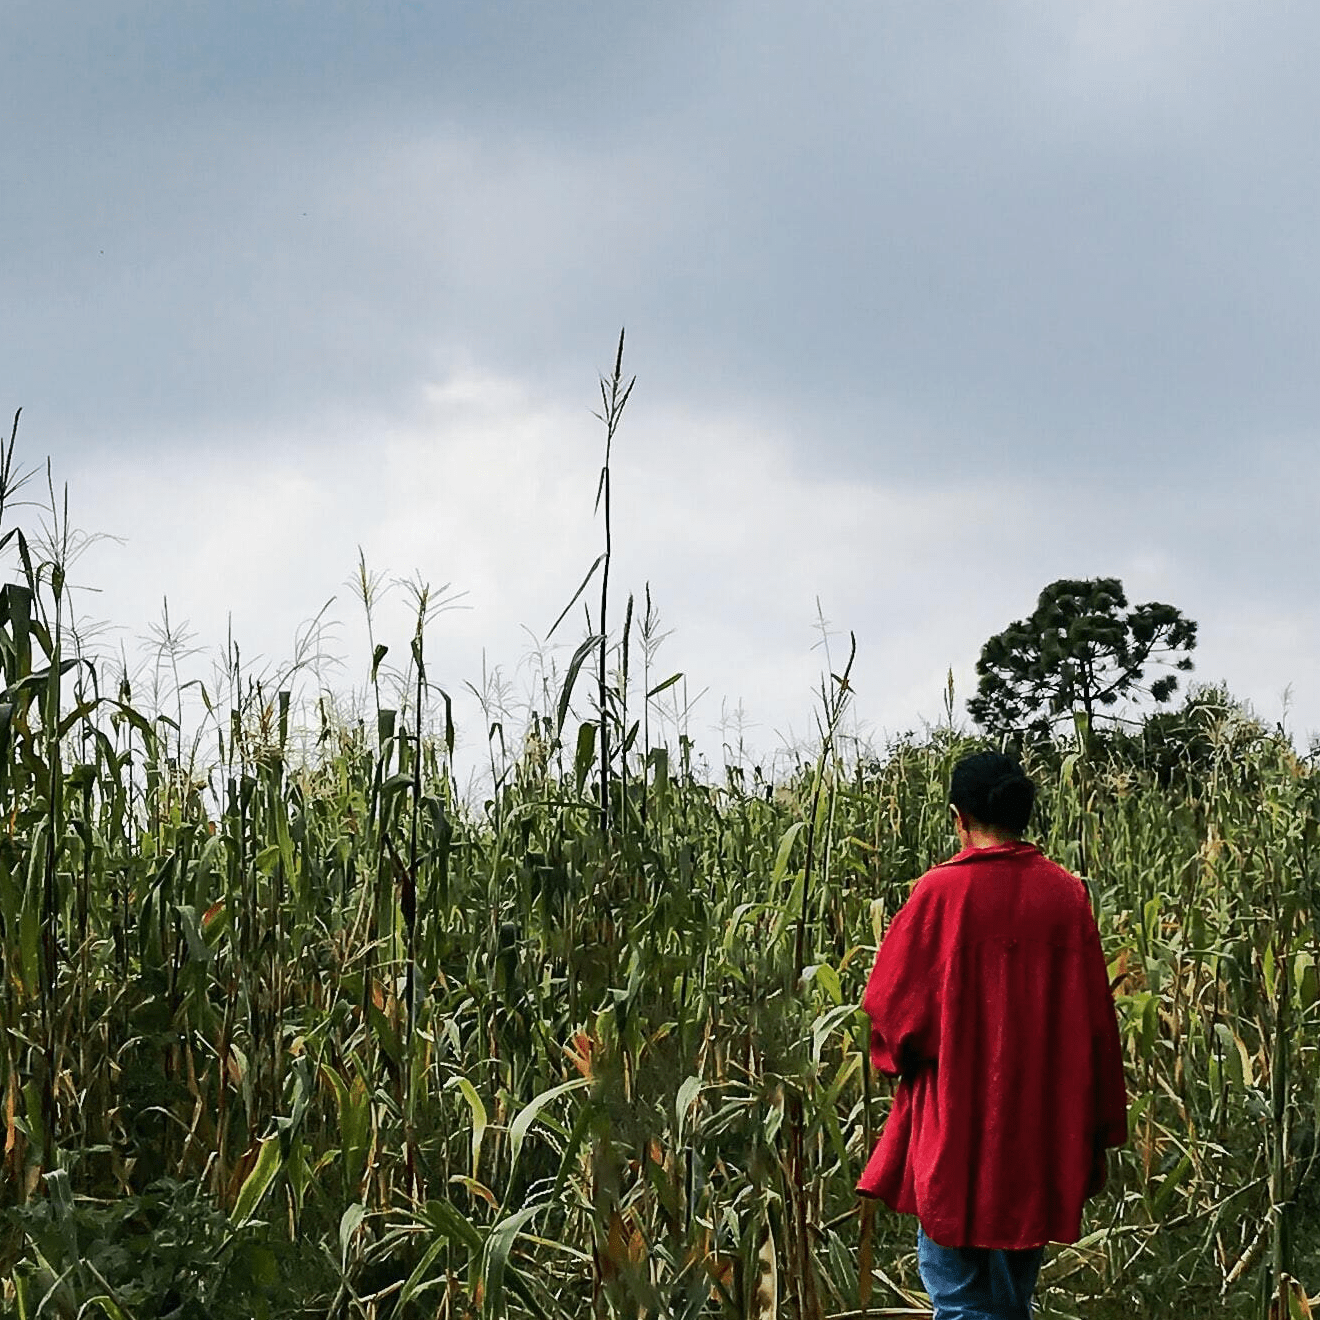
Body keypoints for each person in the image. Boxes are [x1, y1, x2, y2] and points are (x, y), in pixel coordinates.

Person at [857, 750, 1127, 1319]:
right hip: (1035, 1137)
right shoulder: (1066, 896)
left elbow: (894, 1017)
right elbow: (1096, 1027)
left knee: (961, 1302)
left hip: (955, 1129)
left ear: (958, 817)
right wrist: (1094, 1124)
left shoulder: (940, 894)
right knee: (1008, 1300)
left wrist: (899, 1061)